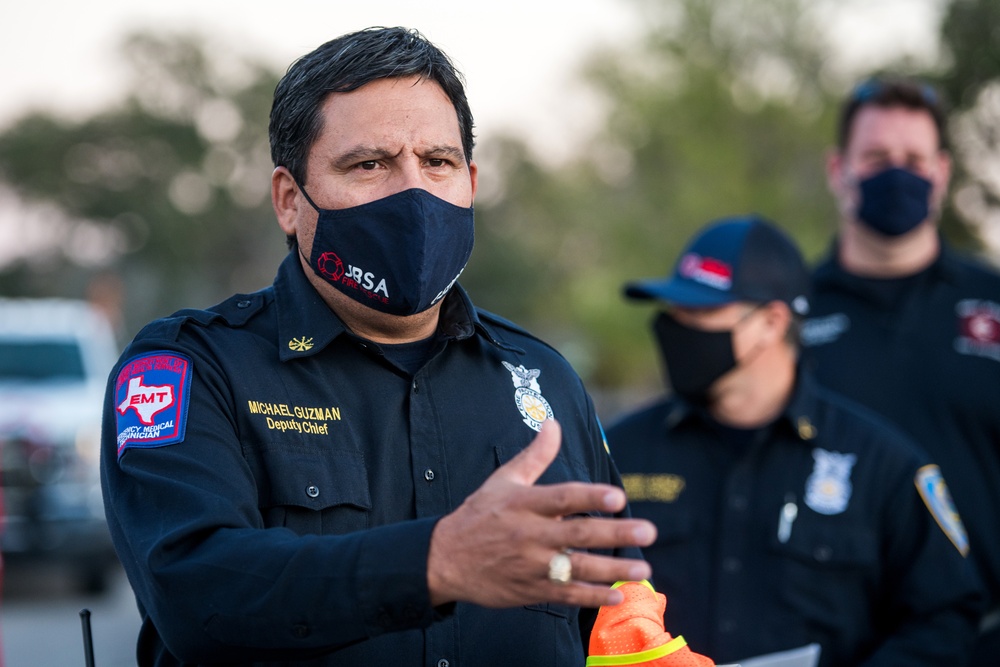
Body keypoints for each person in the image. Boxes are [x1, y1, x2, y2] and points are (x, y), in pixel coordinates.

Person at [100, 26, 657, 667]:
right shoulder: (190, 369)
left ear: (471, 183)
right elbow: (196, 592)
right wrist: (436, 563)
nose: (413, 194)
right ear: (289, 199)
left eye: (438, 162)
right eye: (369, 164)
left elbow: (615, 614)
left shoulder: (544, 379)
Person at [605, 215, 984, 666]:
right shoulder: (616, 453)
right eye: (674, 311)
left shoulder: (882, 465)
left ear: (771, 322)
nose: (677, 328)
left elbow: (944, 618)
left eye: (702, 312)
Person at [801, 74, 1000, 665]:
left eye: (913, 158)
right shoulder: (787, 315)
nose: (897, 173)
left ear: (941, 172)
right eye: (877, 157)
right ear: (839, 170)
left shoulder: (993, 303)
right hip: (841, 647)